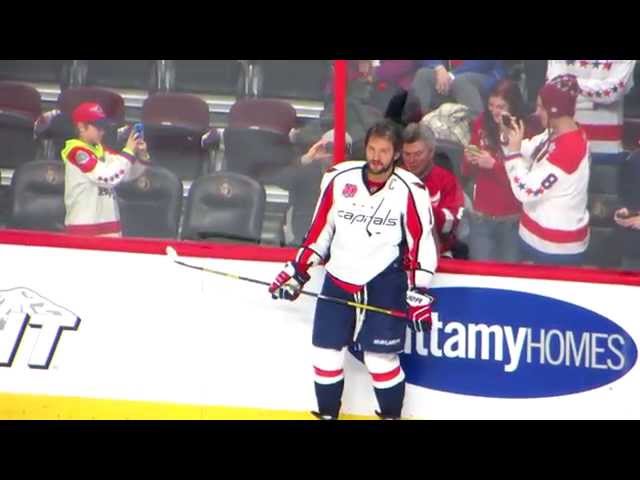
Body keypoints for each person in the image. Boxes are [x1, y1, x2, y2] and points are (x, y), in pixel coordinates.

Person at [268, 120, 438, 420]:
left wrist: (419, 290)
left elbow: (420, 243)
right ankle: (328, 415)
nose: (376, 157)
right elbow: (321, 230)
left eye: (384, 151)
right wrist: (298, 270)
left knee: (380, 361)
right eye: (372, 149)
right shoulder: (339, 178)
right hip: (339, 277)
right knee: (325, 354)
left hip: (384, 282)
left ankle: (391, 417)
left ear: (396, 153)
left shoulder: (411, 189)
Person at [503, 74, 590, 265]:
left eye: (541, 107)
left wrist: (512, 154)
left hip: (555, 249)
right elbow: (528, 148)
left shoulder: (570, 149)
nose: (536, 112)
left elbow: (526, 190)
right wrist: (509, 137)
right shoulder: (557, 133)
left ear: (555, 110)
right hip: (535, 236)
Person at [462, 79, 543, 262]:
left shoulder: (527, 132)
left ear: (512, 106)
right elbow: (467, 171)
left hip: (512, 218)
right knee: (481, 274)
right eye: (491, 105)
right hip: (481, 216)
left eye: (500, 106)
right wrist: (469, 160)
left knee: (510, 275)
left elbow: (526, 179)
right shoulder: (482, 122)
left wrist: (494, 166)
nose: (494, 110)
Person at [61, 102, 151, 237]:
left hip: (110, 228)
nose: (103, 131)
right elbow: (108, 178)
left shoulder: (101, 151)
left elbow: (125, 174)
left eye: (104, 127)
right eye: (98, 127)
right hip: (83, 231)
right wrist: (128, 151)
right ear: (81, 127)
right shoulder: (76, 152)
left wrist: (141, 155)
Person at [401, 123, 465, 258]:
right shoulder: (395, 179)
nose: (411, 160)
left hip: (438, 255)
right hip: (399, 256)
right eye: (407, 154)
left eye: (418, 154)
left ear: (431, 152)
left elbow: (452, 225)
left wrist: (422, 208)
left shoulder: (447, 181)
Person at [546, 60, 636, 155]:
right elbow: (554, 86)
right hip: (566, 145)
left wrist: (571, 84)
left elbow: (612, 92)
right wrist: (595, 94)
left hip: (606, 148)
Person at [406, 60, 506, 120]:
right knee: (423, 74)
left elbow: (482, 64)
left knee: (461, 81)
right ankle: (423, 123)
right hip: (451, 76)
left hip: (487, 77)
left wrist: (451, 75)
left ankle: (477, 127)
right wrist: (438, 67)